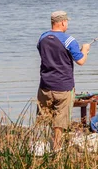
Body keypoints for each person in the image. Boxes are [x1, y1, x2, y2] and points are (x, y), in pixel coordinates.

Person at [37, 10, 90, 151]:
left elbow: (51, 54)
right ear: (62, 22)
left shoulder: (42, 38)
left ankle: (42, 146)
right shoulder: (69, 40)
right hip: (63, 86)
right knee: (59, 122)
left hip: (45, 86)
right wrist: (85, 49)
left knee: (44, 118)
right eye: (66, 21)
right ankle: (57, 148)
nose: (67, 24)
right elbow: (81, 61)